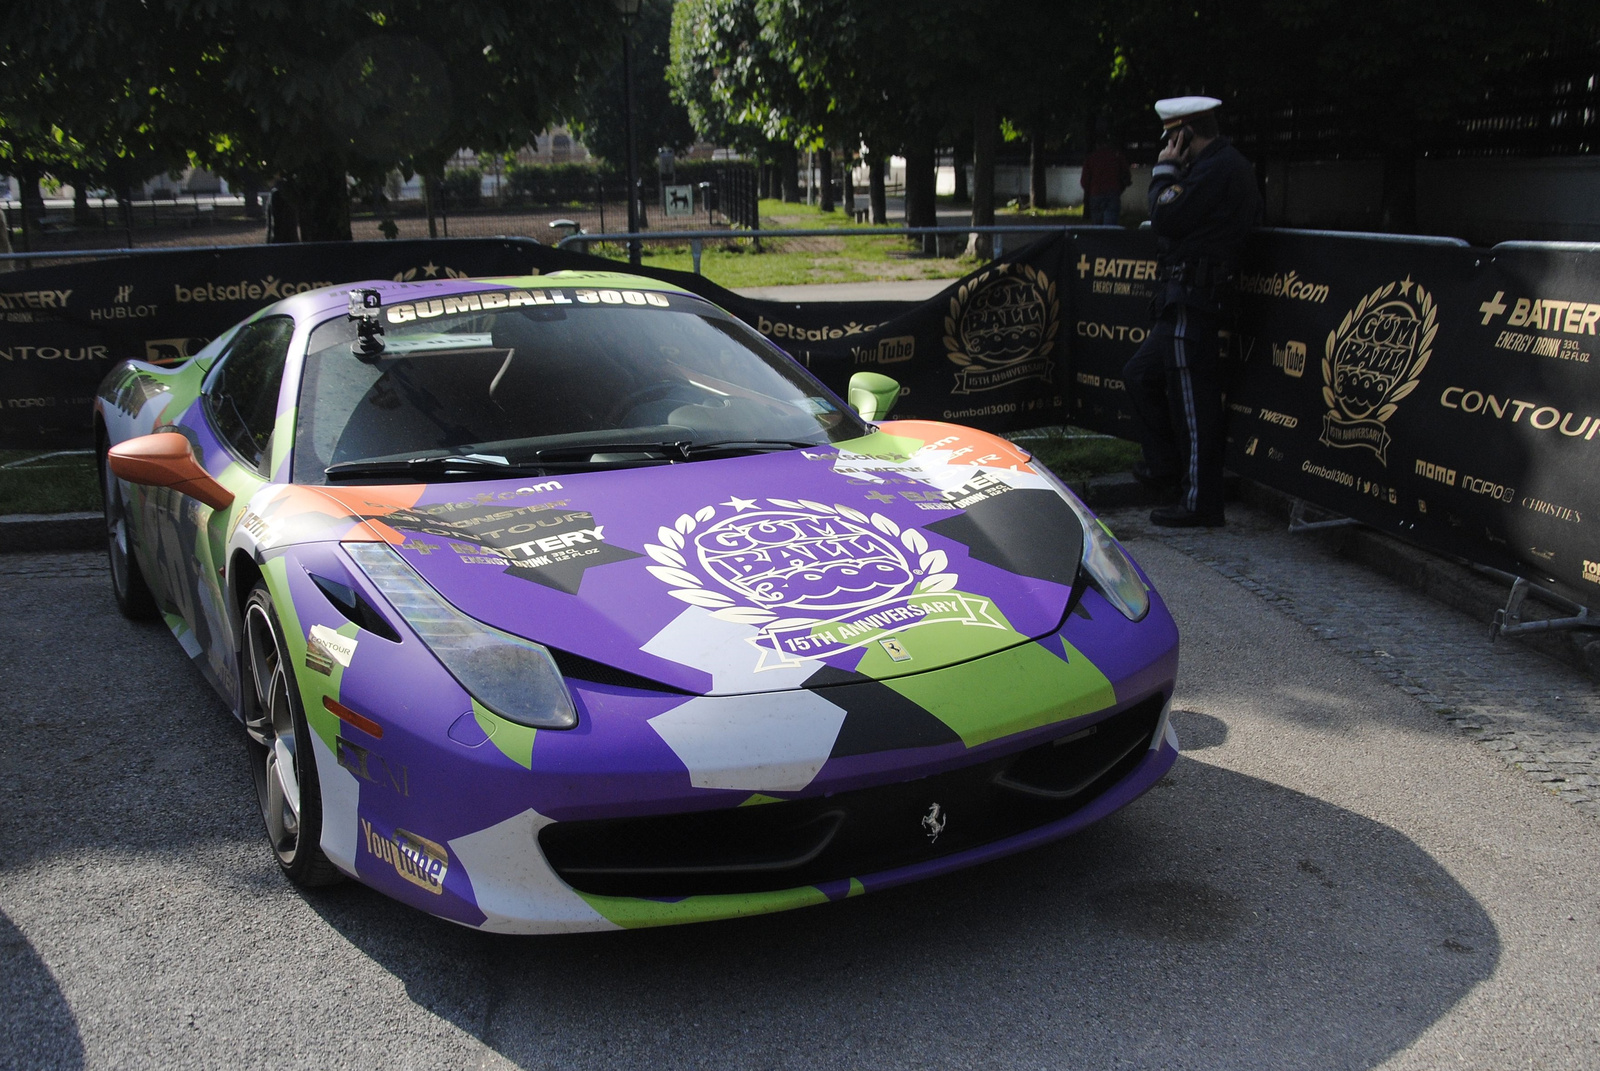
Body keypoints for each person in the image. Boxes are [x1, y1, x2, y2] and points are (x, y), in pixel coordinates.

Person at [1121, 95, 1261, 527]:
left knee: (1194, 406)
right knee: (1140, 375)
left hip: (1195, 301)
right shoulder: (1213, 167)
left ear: (1182, 133)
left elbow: (1166, 215)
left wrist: (1164, 170)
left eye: (1170, 138)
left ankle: (1200, 502)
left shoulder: (1217, 168)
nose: (1167, 147)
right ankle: (1164, 467)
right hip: (1183, 299)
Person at [1079, 136, 1130, 226]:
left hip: (1096, 194)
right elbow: (1126, 175)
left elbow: (1084, 181)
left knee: (1097, 227)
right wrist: (1119, 188)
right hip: (1112, 193)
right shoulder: (1116, 156)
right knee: (1110, 227)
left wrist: (1091, 191)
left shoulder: (1091, 158)